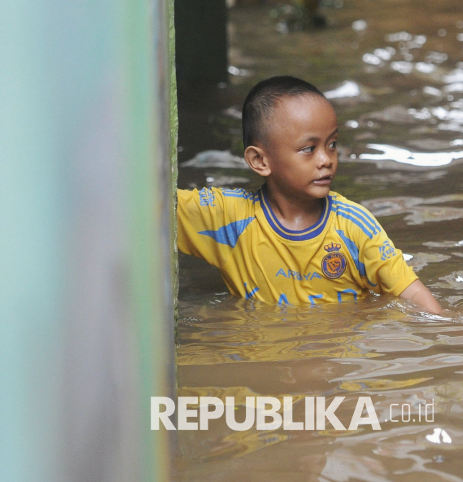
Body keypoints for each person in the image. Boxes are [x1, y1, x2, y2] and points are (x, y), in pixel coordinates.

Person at [177, 76, 442, 313]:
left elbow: (413, 293)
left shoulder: (353, 226)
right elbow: (147, 204)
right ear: (260, 160)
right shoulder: (226, 218)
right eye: (309, 148)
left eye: (332, 144)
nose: (326, 159)